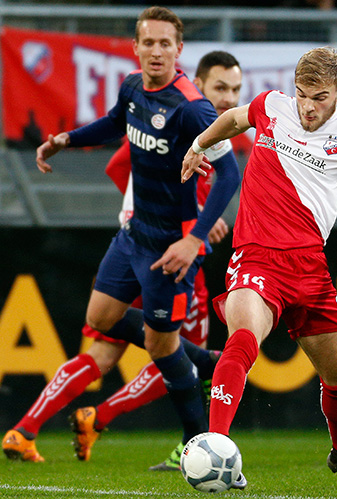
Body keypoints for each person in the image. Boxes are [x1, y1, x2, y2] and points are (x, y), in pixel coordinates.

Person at [5, 6, 240, 472]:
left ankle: (199, 443)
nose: (156, 51)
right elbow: (115, 122)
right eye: (148, 42)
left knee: (159, 348)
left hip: (168, 250)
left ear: (178, 50)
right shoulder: (133, 85)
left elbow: (230, 175)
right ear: (135, 47)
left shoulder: (192, 109)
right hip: (130, 236)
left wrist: (193, 240)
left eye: (164, 43)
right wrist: (64, 139)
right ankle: (200, 357)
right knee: (102, 316)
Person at [181, 46, 337, 488]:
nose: (308, 106)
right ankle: (215, 443)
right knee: (243, 336)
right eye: (302, 95)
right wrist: (200, 144)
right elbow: (236, 120)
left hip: (311, 269)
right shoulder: (272, 107)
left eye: (319, 97)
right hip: (256, 256)